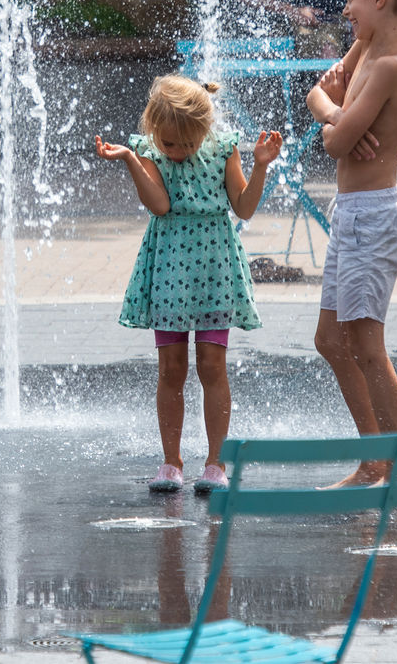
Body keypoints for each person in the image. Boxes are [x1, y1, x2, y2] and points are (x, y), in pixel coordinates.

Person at [94, 76, 280, 495]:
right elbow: (160, 205)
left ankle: (215, 462)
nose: (177, 152)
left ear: (203, 131)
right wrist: (130, 159)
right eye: (169, 144)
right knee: (171, 368)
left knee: (213, 366)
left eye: (186, 144)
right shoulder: (150, 152)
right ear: (155, 132)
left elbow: (244, 208)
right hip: (170, 270)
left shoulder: (222, 148)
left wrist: (261, 165)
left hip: (214, 269)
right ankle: (172, 460)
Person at [305, 0, 397, 504]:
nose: (346, 10)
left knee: (367, 346)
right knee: (331, 340)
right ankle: (374, 459)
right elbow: (317, 93)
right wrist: (332, 110)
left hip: (373, 217)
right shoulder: (367, 48)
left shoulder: (389, 66)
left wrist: (332, 116)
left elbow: (332, 140)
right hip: (351, 213)